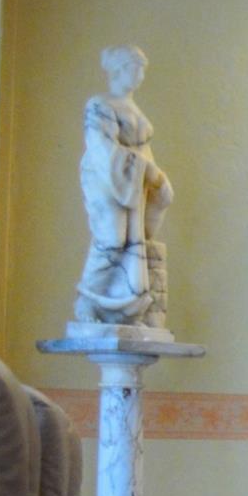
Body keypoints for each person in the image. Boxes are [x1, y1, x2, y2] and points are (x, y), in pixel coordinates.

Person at [75, 45, 173, 328]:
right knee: (112, 238)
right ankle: (87, 301)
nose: (140, 75)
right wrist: (144, 170)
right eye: (135, 68)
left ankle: (125, 311)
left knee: (135, 241)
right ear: (118, 70)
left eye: (142, 69)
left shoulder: (133, 108)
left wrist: (157, 180)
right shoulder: (100, 105)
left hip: (133, 179)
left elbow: (144, 151)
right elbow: (100, 147)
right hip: (107, 177)